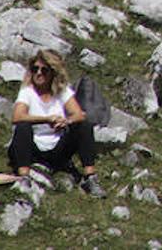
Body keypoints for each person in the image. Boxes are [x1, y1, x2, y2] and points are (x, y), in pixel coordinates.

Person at [8, 49, 105, 197]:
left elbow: (78, 114)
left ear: (53, 73)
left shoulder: (62, 91)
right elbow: (17, 116)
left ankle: (90, 178)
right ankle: (24, 177)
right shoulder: (27, 92)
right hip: (33, 147)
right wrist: (47, 119)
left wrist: (66, 121)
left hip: (57, 147)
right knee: (23, 127)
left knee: (84, 125)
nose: (38, 73)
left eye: (44, 70)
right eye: (35, 69)